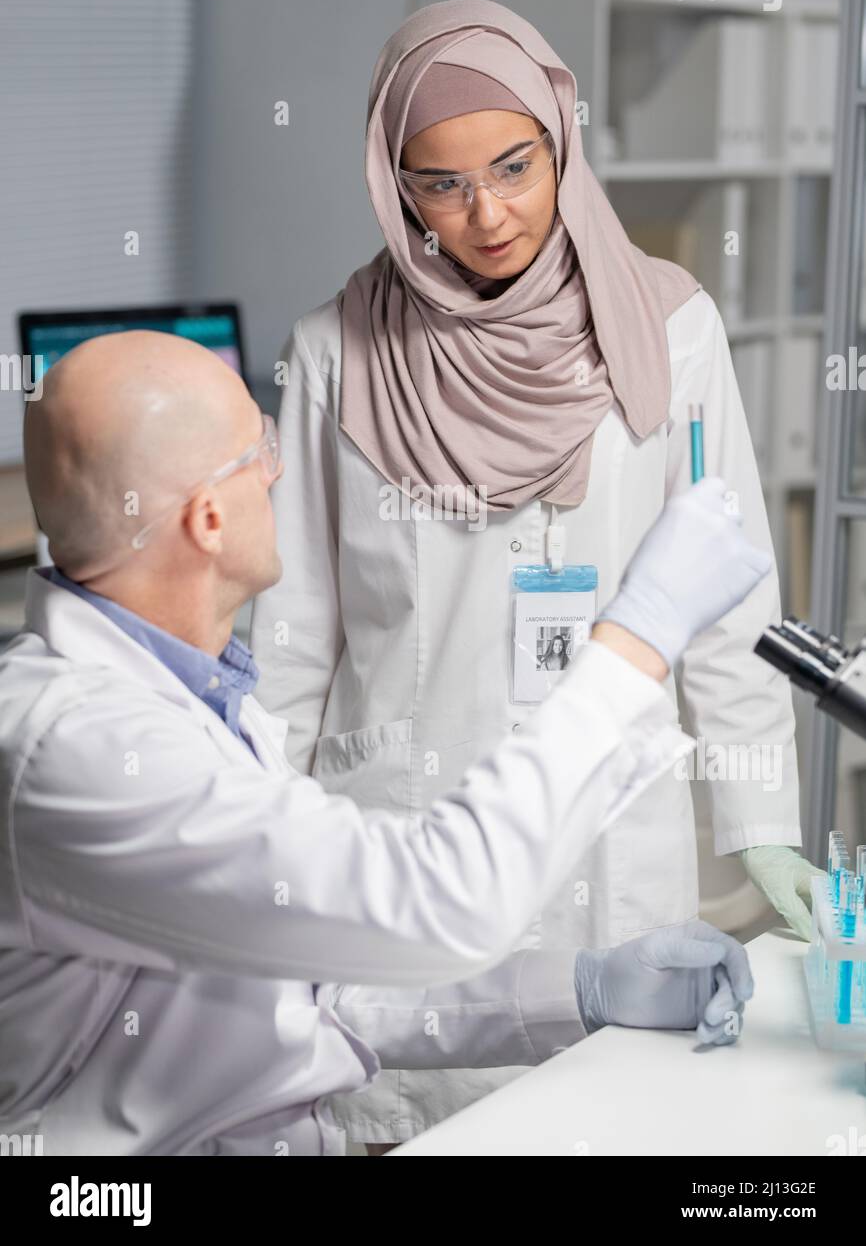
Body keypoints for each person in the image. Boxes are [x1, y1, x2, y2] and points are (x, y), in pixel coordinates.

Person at [249, 0, 820, 1149]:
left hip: (609, 828)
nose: (487, 213)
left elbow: (720, 603)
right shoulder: (332, 351)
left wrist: (760, 818)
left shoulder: (673, 329)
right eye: (440, 183)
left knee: (612, 1119)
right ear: (392, 181)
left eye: (513, 167)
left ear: (561, 137)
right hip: (410, 832)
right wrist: (257, 858)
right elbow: (292, 637)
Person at [0, 331, 766, 1156]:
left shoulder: (201, 696)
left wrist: (579, 990)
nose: (281, 468)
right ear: (210, 519)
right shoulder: (84, 746)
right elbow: (435, 900)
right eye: (259, 448)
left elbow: (311, 985)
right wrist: (640, 634)